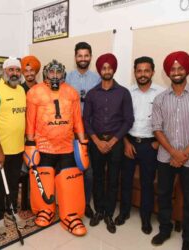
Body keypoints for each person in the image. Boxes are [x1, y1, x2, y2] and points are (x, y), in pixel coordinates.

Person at [24, 59, 89, 236]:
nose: (54, 76)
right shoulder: (34, 92)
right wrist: (29, 144)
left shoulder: (72, 93)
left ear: (63, 74)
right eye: (51, 72)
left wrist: (83, 144)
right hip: (43, 146)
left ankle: (71, 215)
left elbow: (78, 121)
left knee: (71, 181)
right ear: (45, 74)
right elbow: (30, 121)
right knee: (43, 180)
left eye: (57, 72)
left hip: (67, 146)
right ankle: (45, 210)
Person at [151, 51, 189, 250]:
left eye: (180, 68)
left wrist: (183, 154)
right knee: (163, 194)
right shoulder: (160, 99)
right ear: (168, 72)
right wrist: (173, 152)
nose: (177, 71)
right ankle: (164, 229)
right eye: (173, 68)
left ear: (186, 70)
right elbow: (156, 128)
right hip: (166, 157)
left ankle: (188, 237)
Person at [83, 53, 134, 234]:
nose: (106, 70)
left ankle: (109, 214)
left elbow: (128, 121)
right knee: (97, 178)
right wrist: (96, 141)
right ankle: (99, 211)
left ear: (114, 69)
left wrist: (112, 141)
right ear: (100, 70)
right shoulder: (91, 94)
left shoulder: (123, 93)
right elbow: (86, 120)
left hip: (116, 143)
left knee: (113, 180)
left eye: (109, 67)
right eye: (103, 68)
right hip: (96, 143)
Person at [114, 56, 165, 234]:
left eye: (146, 70)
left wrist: (158, 142)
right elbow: (120, 120)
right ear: (134, 72)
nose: (142, 74)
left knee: (147, 183)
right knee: (125, 181)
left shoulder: (162, 93)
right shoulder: (127, 92)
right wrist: (125, 142)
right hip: (129, 143)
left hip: (150, 146)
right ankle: (124, 212)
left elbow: (168, 120)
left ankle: (145, 218)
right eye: (139, 70)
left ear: (152, 71)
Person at [0, 57, 27, 235]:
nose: (14, 73)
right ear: (5, 72)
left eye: (17, 70)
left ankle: (12, 211)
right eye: (11, 70)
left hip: (18, 149)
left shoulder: (22, 91)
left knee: (12, 183)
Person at [66, 41, 101, 218]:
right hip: (69, 133)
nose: (83, 59)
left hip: (89, 133)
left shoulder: (97, 79)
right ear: (75, 57)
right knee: (71, 170)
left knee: (88, 171)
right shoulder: (67, 78)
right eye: (80, 55)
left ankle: (86, 204)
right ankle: (71, 202)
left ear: (90, 57)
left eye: (86, 55)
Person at [19, 55, 41, 210]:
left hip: (40, 137)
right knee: (24, 171)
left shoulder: (43, 89)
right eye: (26, 71)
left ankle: (38, 200)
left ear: (36, 71)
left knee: (38, 170)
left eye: (32, 70)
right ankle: (25, 203)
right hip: (22, 136)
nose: (29, 73)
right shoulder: (18, 90)